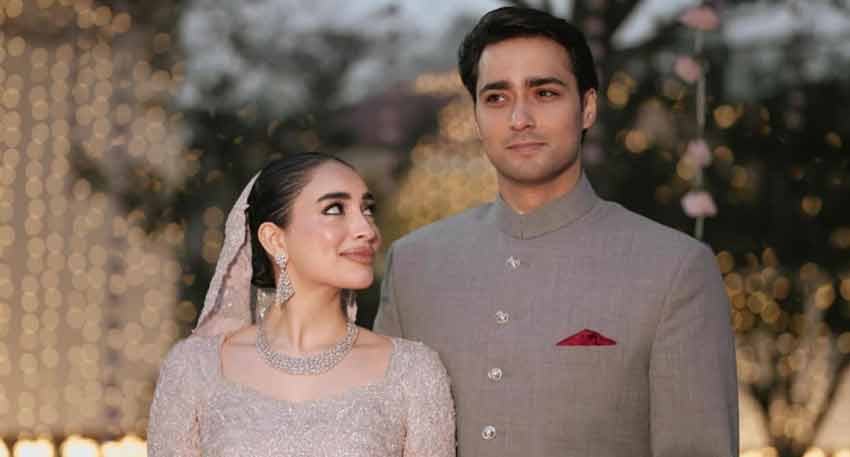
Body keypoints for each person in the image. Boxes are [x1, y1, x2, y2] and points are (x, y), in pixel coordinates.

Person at [375, 6, 738, 457]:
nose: (519, 118)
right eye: (496, 97)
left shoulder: (674, 269)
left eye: (544, 93)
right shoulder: (414, 265)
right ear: (474, 117)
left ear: (586, 107)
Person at [147, 153, 455, 457]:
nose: (367, 230)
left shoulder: (413, 371)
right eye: (336, 209)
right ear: (275, 239)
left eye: (367, 210)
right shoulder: (193, 368)